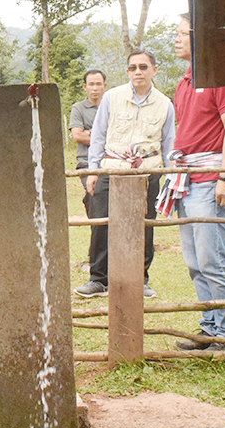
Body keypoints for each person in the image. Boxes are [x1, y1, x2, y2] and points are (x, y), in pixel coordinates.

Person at [163, 14, 225, 351]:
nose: (176, 39)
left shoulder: (223, 75)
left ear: (201, 37)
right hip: (187, 180)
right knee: (196, 262)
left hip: (212, 179)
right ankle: (210, 327)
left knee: (213, 259)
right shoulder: (185, 81)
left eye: (182, 33)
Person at [74, 52, 174, 300]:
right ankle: (98, 279)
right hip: (111, 167)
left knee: (144, 224)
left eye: (143, 67)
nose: (138, 72)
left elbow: (168, 144)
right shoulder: (112, 97)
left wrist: (170, 176)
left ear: (154, 70)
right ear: (127, 71)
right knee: (101, 222)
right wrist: (93, 171)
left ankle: (139, 280)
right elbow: (98, 136)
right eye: (133, 67)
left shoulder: (165, 104)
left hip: (147, 171)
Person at [68, 69, 107, 216]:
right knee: (95, 193)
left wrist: (89, 132)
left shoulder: (111, 106)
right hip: (86, 162)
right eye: (91, 84)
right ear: (85, 87)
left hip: (110, 162)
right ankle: (96, 227)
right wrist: (106, 137)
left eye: (98, 84)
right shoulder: (78, 108)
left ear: (104, 86)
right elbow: (78, 135)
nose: (95, 88)